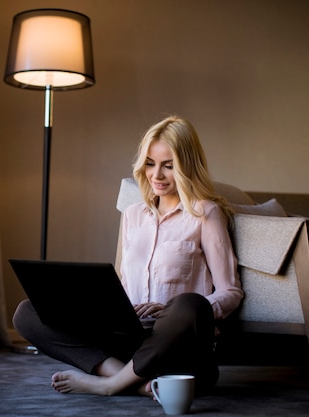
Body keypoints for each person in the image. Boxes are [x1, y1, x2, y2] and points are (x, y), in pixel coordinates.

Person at [13, 115, 244, 397]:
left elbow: (230, 292)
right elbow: (123, 281)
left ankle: (110, 385)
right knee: (27, 312)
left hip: (180, 348)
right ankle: (141, 385)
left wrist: (170, 309)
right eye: (150, 163)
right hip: (130, 340)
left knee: (189, 305)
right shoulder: (134, 214)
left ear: (186, 166)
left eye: (168, 166)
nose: (156, 175)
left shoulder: (205, 213)